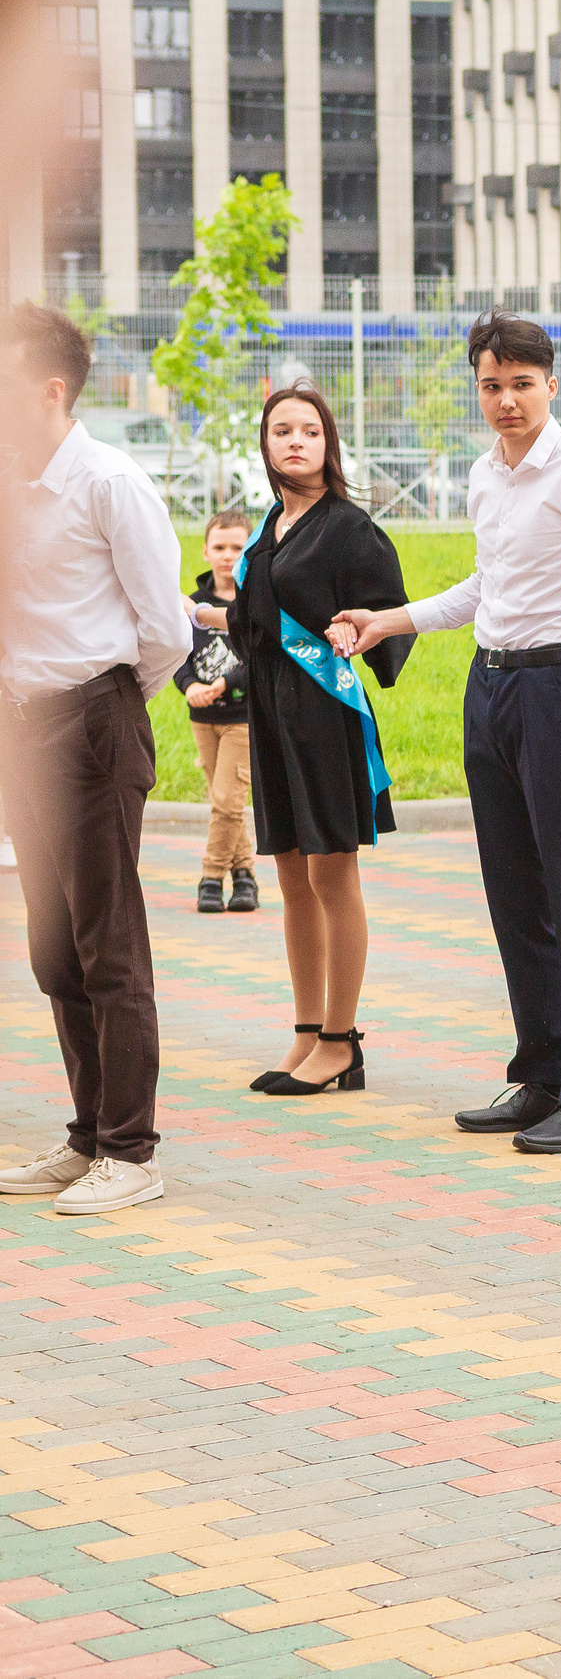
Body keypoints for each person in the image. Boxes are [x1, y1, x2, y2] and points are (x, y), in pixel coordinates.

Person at [330, 310, 561, 1156]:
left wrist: (559, 635)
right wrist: (390, 618)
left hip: (557, 689)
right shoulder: (486, 475)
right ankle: (540, 1074)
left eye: (521, 383)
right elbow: (487, 583)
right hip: (492, 687)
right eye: (491, 385)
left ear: (552, 384)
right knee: (514, 891)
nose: (505, 400)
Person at [0, 302, 194, 1215]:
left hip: (92, 722)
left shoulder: (110, 483)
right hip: (23, 729)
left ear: (48, 389)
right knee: (53, 949)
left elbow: (166, 628)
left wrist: (104, 711)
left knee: (108, 946)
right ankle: (86, 1136)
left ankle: (131, 1148)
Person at [193, 386, 412, 1095]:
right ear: (264, 444)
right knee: (289, 873)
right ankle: (307, 1029)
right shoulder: (267, 532)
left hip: (322, 718)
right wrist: (206, 614)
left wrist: (359, 629)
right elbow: (258, 628)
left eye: (309, 430)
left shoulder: (348, 527)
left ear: (329, 444)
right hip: (271, 720)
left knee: (329, 872)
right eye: (280, 430)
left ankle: (343, 1041)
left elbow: (383, 617)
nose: (294, 441)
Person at [174, 509, 257, 915]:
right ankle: (245, 876)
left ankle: (211, 879)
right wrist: (190, 686)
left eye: (238, 548)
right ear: (206, 551)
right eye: (220, 547)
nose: (228, 556)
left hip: (242, 717)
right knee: (226, 802)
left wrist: (226, 684)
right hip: (203, 720)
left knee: (226, 800)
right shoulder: (194, 606)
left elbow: (261, 655)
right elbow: (178, 653)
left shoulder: (254, 600)